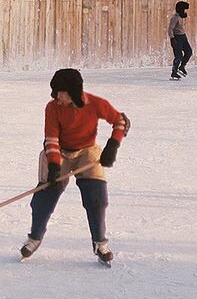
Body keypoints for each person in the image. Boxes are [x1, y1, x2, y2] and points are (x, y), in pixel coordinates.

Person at [20, 69, 130, 266]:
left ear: (73, 92)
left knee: (96, 197)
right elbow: (51, 138)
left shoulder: (95, 104)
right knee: (44, 196)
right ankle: (34, 238)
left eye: (61, 92)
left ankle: (100, 243)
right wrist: (54, 165)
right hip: (59, 151)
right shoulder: (53, 107)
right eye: (55, 92)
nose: (57, 96)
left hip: (86, 151)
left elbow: (120, 121)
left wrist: (112, 145)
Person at [167, 1, 192, 80]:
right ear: (181, 9)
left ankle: (182, 67)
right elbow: (170, 29)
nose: (185, 11)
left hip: (183, 37)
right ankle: (174, 72)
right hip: (177, 38)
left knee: (189, 52)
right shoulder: (175, 18)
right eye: (184, 10)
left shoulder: (181, 17)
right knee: (178, 56)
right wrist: (172, 38)